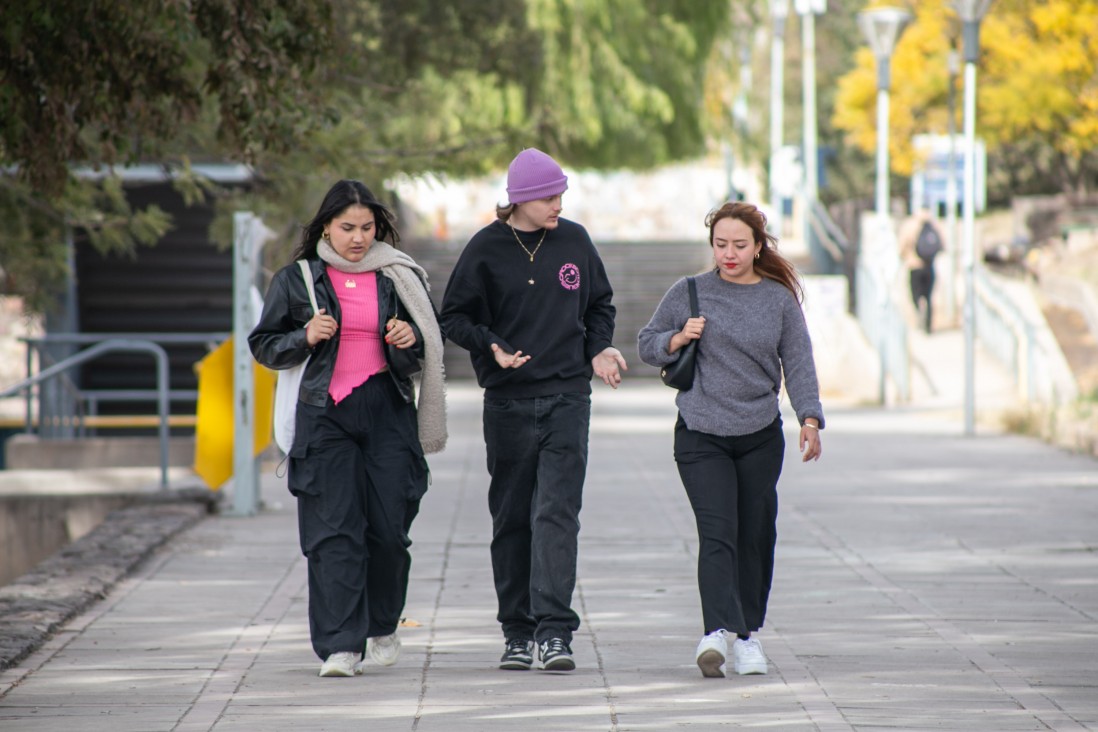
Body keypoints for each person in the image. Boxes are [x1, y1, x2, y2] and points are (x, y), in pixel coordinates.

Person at [249, 180, 447, 678]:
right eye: (347, 228)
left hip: (386, 409)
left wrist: (407, 339)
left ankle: (382, 622)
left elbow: (426, 348)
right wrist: (304, 335)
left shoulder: (398, 277)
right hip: (324, 414)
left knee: (387, 531)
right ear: (326, 227)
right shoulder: (298, 279)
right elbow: (265, 344)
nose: (358, 238)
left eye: (367, 228)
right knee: (334, 533)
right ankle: (340, 646)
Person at [439, 147, 627, 673]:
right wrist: (491, 344)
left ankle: (554, 632)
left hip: (568, 396)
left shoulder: (574, 241)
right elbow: (452, 316)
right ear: (519, 198)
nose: (558, 204)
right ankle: (517, 632)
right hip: (508, 403)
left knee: (557, 515)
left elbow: (600, 304)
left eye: (562, 194)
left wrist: (598, 347)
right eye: (548, 196)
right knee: (512, 518)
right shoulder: (486, 248)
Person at [638, 201, 824, 679]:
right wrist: (677, 339)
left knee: (755, 534)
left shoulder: (778, 299)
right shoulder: (691, 292)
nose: (729, 253)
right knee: (718, 531)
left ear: (758, 246)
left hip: (760, 434)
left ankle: (747, 637)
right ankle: (717, 632)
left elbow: (798, 361)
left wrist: (809, 418)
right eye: (720, 244)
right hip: (701, 432)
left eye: (739, 245)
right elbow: (646, 341)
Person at [899, 210, 944, 334]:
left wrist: (904, 257)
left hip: (914, 266)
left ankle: (919, 314)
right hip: (929, 266)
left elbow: (902, 245)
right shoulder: (932, 224)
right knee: (929, 297)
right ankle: (928, 326)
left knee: (916, 295)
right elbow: (941, 244)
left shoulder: (910, 225)